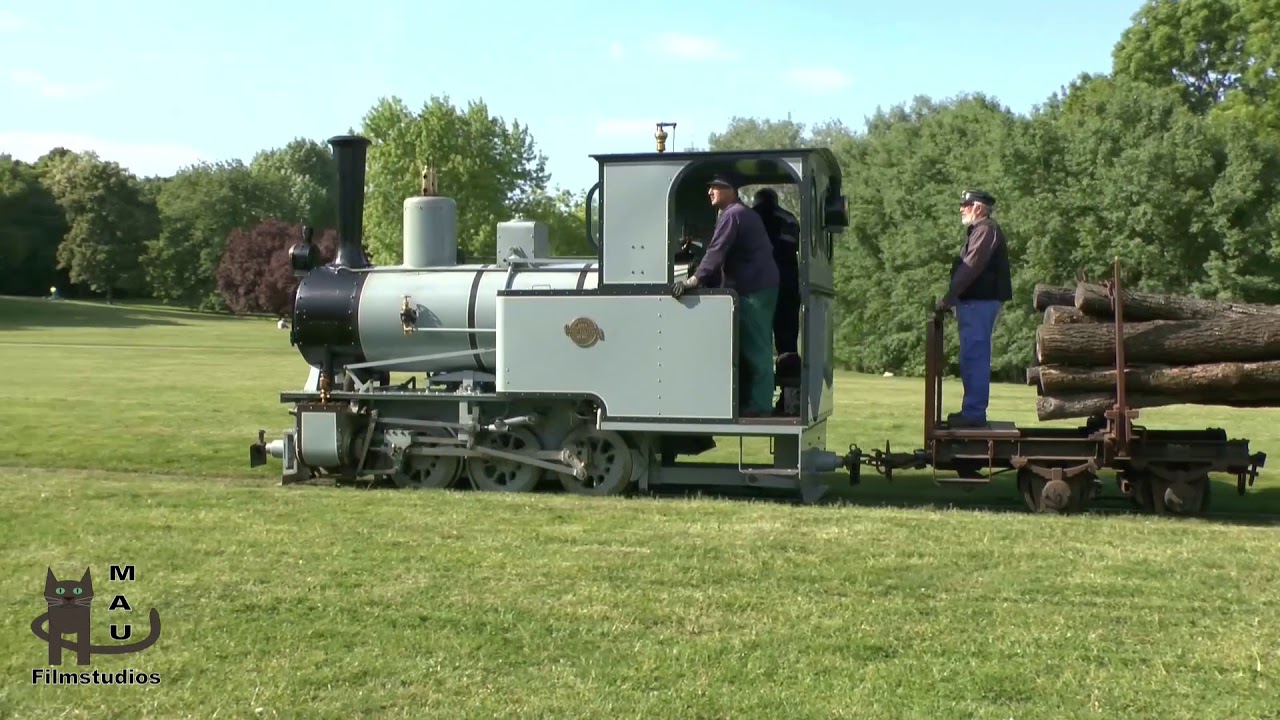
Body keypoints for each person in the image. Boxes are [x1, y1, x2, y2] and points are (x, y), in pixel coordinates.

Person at [671, 172, 780, 417]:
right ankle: (751, 401)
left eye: (716, 187)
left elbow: (716, 252)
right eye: (710, 187)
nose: (710, 192)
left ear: (731, 190)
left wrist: (692, 281)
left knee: (757, 346)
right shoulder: (738, 214)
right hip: (757, 285)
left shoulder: (734, 215)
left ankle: (761, 405)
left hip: (754, 288)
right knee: (751, 345)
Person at [936, 189, 1012, 429]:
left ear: (978, 208)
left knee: (975, 357)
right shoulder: (981, 230)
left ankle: (974, 413)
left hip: (979, 302)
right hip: (975, 302)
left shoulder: (986, 230)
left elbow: (970, 267)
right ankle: (972, 411)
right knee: (971, 357)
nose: (961, 208)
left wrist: (950, 296)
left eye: (966, 205)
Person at [752, 188, 801, 355]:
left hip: (755, 281)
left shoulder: (748, 217)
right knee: (787, 330)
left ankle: (757, 372)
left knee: (755, 333)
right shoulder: (790, 219)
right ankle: (787, 368)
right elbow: (793, 246)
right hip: (787, 278)